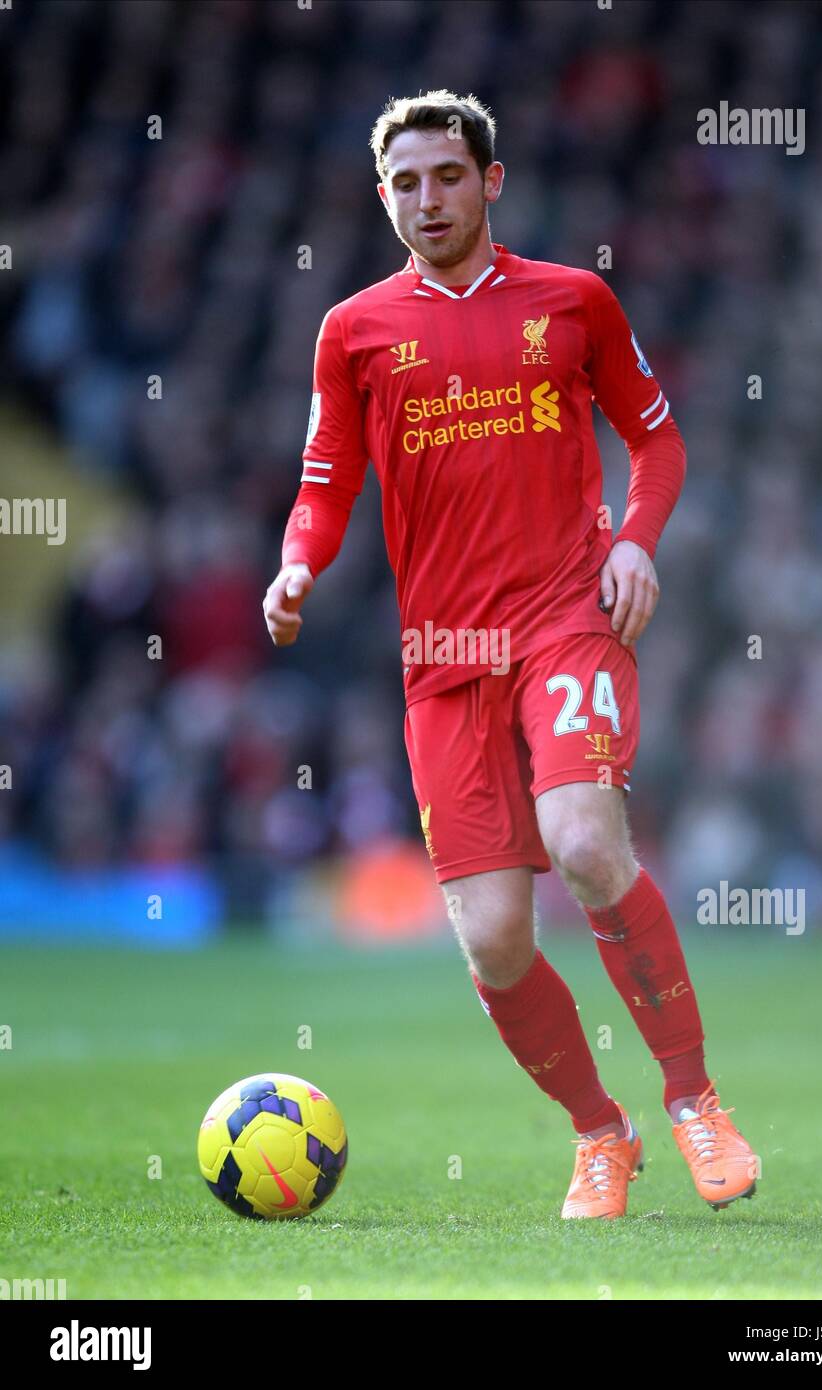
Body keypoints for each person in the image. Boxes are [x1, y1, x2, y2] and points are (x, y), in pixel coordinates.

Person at [263, 90, 758, 1219]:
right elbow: (327, 480)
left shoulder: (571, 300)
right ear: (381, 195)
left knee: (583, 840)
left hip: (561, 617)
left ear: (492, 181)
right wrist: (298, 565)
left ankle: (694, 1100)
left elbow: (657, 435)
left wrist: (634, 541)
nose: (426, 199)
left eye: (446, 176)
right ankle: (602, 1132)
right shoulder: (353, 330)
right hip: (442, 654)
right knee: (491, 941)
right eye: (404, 182)